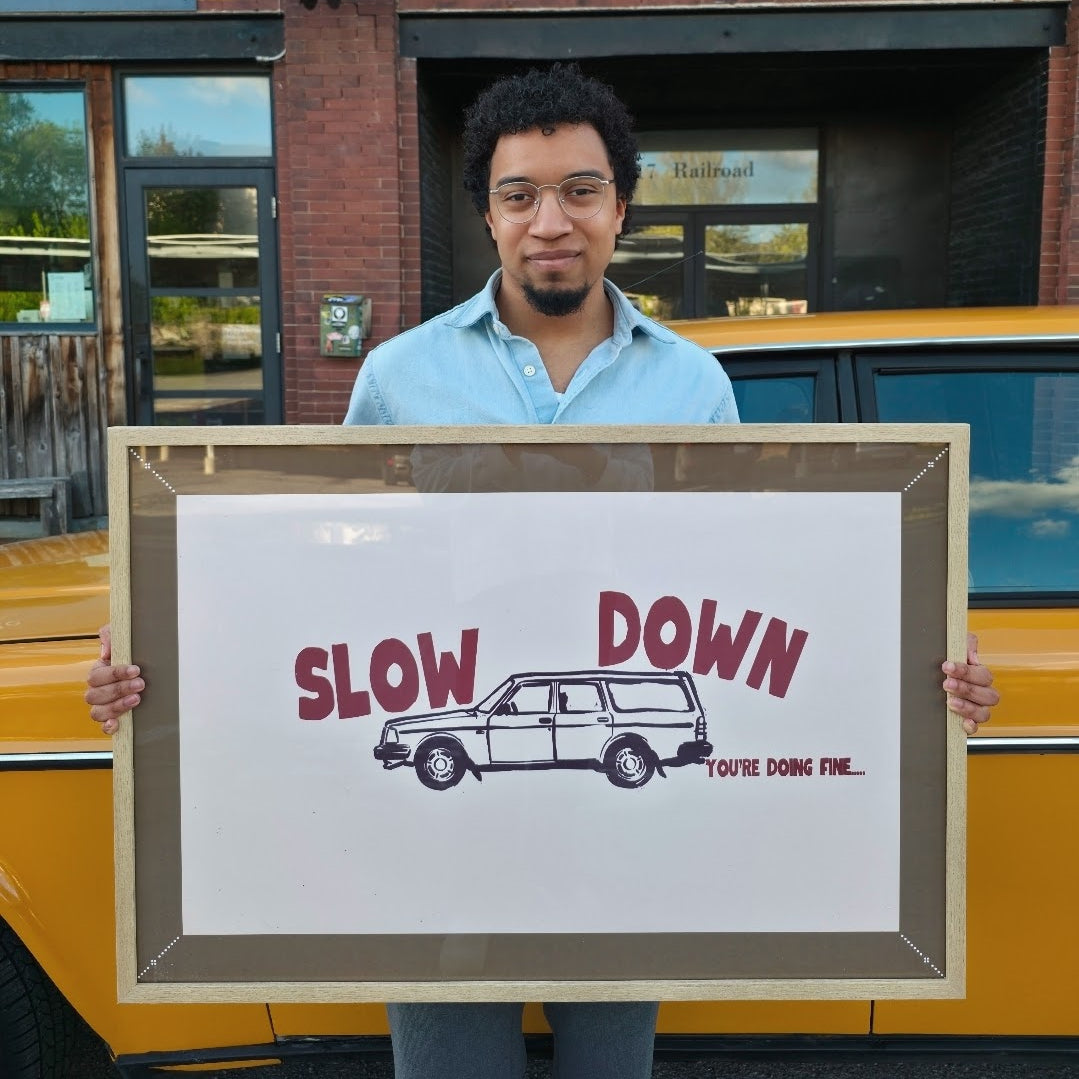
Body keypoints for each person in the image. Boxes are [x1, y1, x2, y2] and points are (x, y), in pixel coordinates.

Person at [86, 62, 1000, 1079]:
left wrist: (920, 655)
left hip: (622, 833)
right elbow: (321, 565)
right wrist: (162, 634)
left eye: (579, 189)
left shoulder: (692, 383)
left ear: (622, 206)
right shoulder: (399, 375)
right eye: (519, 194)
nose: (550, 220)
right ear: (488, 214)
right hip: (440, 830)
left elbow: (754, 577)